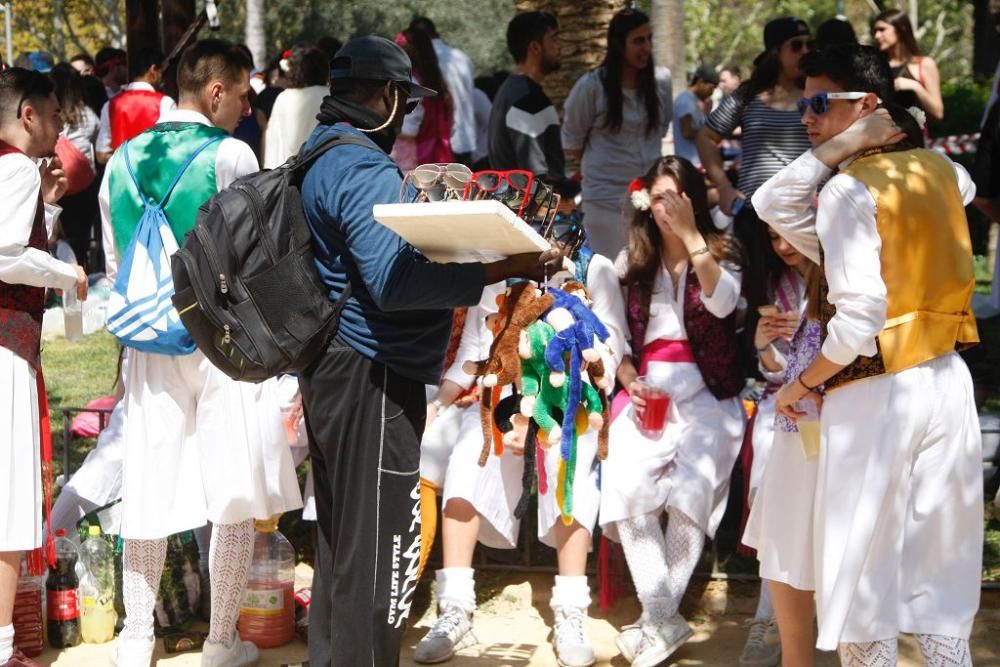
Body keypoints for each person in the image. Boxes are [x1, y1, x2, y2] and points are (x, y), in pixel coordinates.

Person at [296, 35, 560, 666]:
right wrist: (497, 267)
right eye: (405, 103)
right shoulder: (360, 166)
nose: (407, 116)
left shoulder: (319, 151)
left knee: (342, 537)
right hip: (369, 375)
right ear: (386, 97)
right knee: (381, 544)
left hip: (335, 368)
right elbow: (391, 282)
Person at [752, 43, 981, 666]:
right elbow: (961, 185)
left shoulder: (846, 194)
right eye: (805, 106)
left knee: (860, 578)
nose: (808, 118)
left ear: (868, 106)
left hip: (874, 389)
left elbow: (857, 323)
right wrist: (855, 142)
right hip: (947, 380)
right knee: (943, 573)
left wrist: (802, 384)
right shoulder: (943, 174)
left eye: (821, 105)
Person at [99, 38, 303, 667]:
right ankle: (220, 641)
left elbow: (114, 263)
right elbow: (254, 257)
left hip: (147, 337)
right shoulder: (231, 153)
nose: (248, 104)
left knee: (149, 480)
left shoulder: (120, 161)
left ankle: (137, 637)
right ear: (216, 90)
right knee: (232, 486)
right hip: (222, 340)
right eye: (243, 92)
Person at [414, 179, 626, 667]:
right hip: (503, 396)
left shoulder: (595, 268)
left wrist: (563, 396)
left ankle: (570, 609)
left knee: (567, 458)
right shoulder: (498, 273)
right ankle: (456, 609)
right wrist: (443, 402)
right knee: (470, 453)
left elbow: (609, 353)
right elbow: (474, 351)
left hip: (572, 397)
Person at [599, 156, 745, 667]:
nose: (666, 207)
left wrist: (693, 239)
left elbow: (725, 304)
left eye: (676, 196)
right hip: (650, 389)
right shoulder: (629, 263)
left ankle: (657, 620)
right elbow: (612, 337)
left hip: (711, 390)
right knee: (625, 477)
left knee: (694, 487)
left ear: (693, 198)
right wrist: (629, 380)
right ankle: (663, 615)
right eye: (658, 197)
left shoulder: (724, 252)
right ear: (645, 201)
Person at [0, 66, 88, 667]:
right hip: (5, 348)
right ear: (29, 113)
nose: (59, 129)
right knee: (8, 503)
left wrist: (48, 207)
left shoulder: (14, 171)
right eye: (55, 115)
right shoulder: (14, 166)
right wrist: (66, 273)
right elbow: (5, 255)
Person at [740, 225, 818, 667]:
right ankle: (770, 620)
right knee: (771, 505)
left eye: (789, 234)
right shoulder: (777, 285)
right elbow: (775, 374)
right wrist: (765, 342)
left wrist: (809, 337)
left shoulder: (839, 275)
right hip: (783, 407)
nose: (783, 246)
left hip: (836, 406)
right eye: (771, 237)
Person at [563, 8, 673, 259]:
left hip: (650, 200)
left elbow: (661, 128)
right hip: (605, 204)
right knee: (611, 280)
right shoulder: (591, 86)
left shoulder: (661, 82)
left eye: (649, 39)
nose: (646, 47)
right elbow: (572, 143)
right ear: (618, 44)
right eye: (638, 40)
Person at [695, 17, 813, 252]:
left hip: (808, 213)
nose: (806, 52)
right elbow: (705, 137)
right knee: (756, 287)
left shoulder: (817, 93)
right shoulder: (747, 95)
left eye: (810, 44)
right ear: (775, 52)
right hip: (754, 216)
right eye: (796, 45)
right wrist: (724, 187)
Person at [488, 11, 564, 178]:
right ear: (535, 48)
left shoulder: (511, 90)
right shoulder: (528, 99)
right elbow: (536, 178)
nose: (560, 46)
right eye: (554, 38)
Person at [50, 63, 101, 270]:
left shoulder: (49, 117)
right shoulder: (88, 115)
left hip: (57, 184)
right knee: (80, 238)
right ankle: (81, 271)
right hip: (84, 188)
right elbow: (96, 142)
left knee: (58, 237)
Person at [410, 16, 477, 166]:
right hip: (466, 140)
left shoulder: (426, 62)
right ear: (437, 33)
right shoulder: (463, 58)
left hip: (438, 144)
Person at [95, 48, 175, 164]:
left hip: (122, 179)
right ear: (153, 70)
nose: (162, 78)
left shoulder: (109, 106)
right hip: (158, 177)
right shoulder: (165, 103)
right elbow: (174, 147)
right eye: (161, 72)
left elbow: (101, 155)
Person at [391, 27, 453, 171]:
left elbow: (409, 129)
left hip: (408, 159)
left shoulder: (410, 83)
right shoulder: (434, 81)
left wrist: (381, 124)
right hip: (432, 152)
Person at [261, 44, 328, 168]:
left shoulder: (283, 98)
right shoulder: (328, 96)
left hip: (287, 175)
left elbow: (273, 143)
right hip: (318, 173)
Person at [872, 9, 943, 121]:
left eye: (882, 29)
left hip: (913, 136)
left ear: (901, 29)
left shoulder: (924, 64)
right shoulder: (876, 66)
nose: (877, 35)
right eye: (875, 31)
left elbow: (938, 113)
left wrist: (915, 86)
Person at [673, 64, 719, 168]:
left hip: (697, 162)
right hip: (690, 163)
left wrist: (707, 113)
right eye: (711, 88)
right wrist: (710, 134)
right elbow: (687, 131)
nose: (711, 93)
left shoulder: (694, 101)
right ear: (700, 82)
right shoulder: (685, 100)